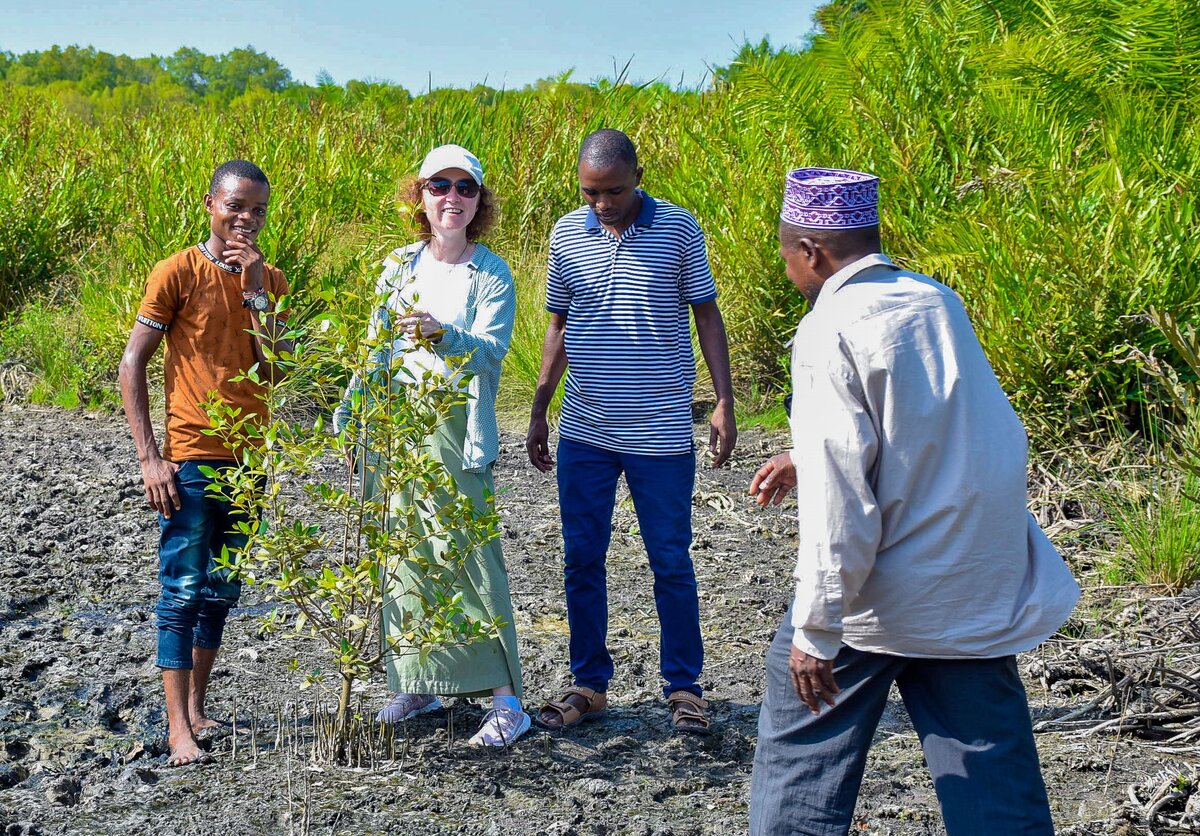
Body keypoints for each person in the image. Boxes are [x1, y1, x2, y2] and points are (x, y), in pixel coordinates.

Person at [746, 167, 1081, 834]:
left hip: (874, 592)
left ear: (810, 251)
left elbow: (843, 502)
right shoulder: (934, 301)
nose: (790, 270)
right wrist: (804, 457)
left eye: (788, 255)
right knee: (994, 776)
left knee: (801, 754)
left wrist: (816, 630)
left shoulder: (828, 325)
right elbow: (955, 434)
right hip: (966, 585)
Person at [526, 128, 737, 735]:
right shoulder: (567, 234)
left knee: (670, 560)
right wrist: (541, 407)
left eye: (613, 191)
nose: (602, 204)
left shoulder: (678, 229)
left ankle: (684, 687)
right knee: (582, 558)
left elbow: (706, 316)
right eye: (590, 193)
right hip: (585, 431)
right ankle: (589, 684)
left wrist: (723, 402)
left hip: (663, 434)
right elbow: (558, 327)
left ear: (638, 177)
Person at [336, 144, 529, 748]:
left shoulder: (491, 272)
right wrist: (348, 415)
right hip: (396, 428)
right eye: (438, 186)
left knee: (468, 554)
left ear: (480, 201)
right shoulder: (397, 266)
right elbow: (374, 353)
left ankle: (507, 702)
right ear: (418, 195)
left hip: (456, 431)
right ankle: (417, 682)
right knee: (405, 557)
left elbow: (492, 354)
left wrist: (445, 336)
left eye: (465, 188)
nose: (452, 198)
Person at [118, 159, 292, 767]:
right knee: (181, 590)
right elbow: (132, 364)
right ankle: (176, 731)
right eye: (235, 206)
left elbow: (277, 367)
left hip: (250, 462)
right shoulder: (177, 272)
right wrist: (150, 458)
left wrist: (254, 296)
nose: (245, 219)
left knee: (221, 589)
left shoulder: (267, 280)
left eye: (257, 210)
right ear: (210, 204)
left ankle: (196, 708)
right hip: (192, 457)